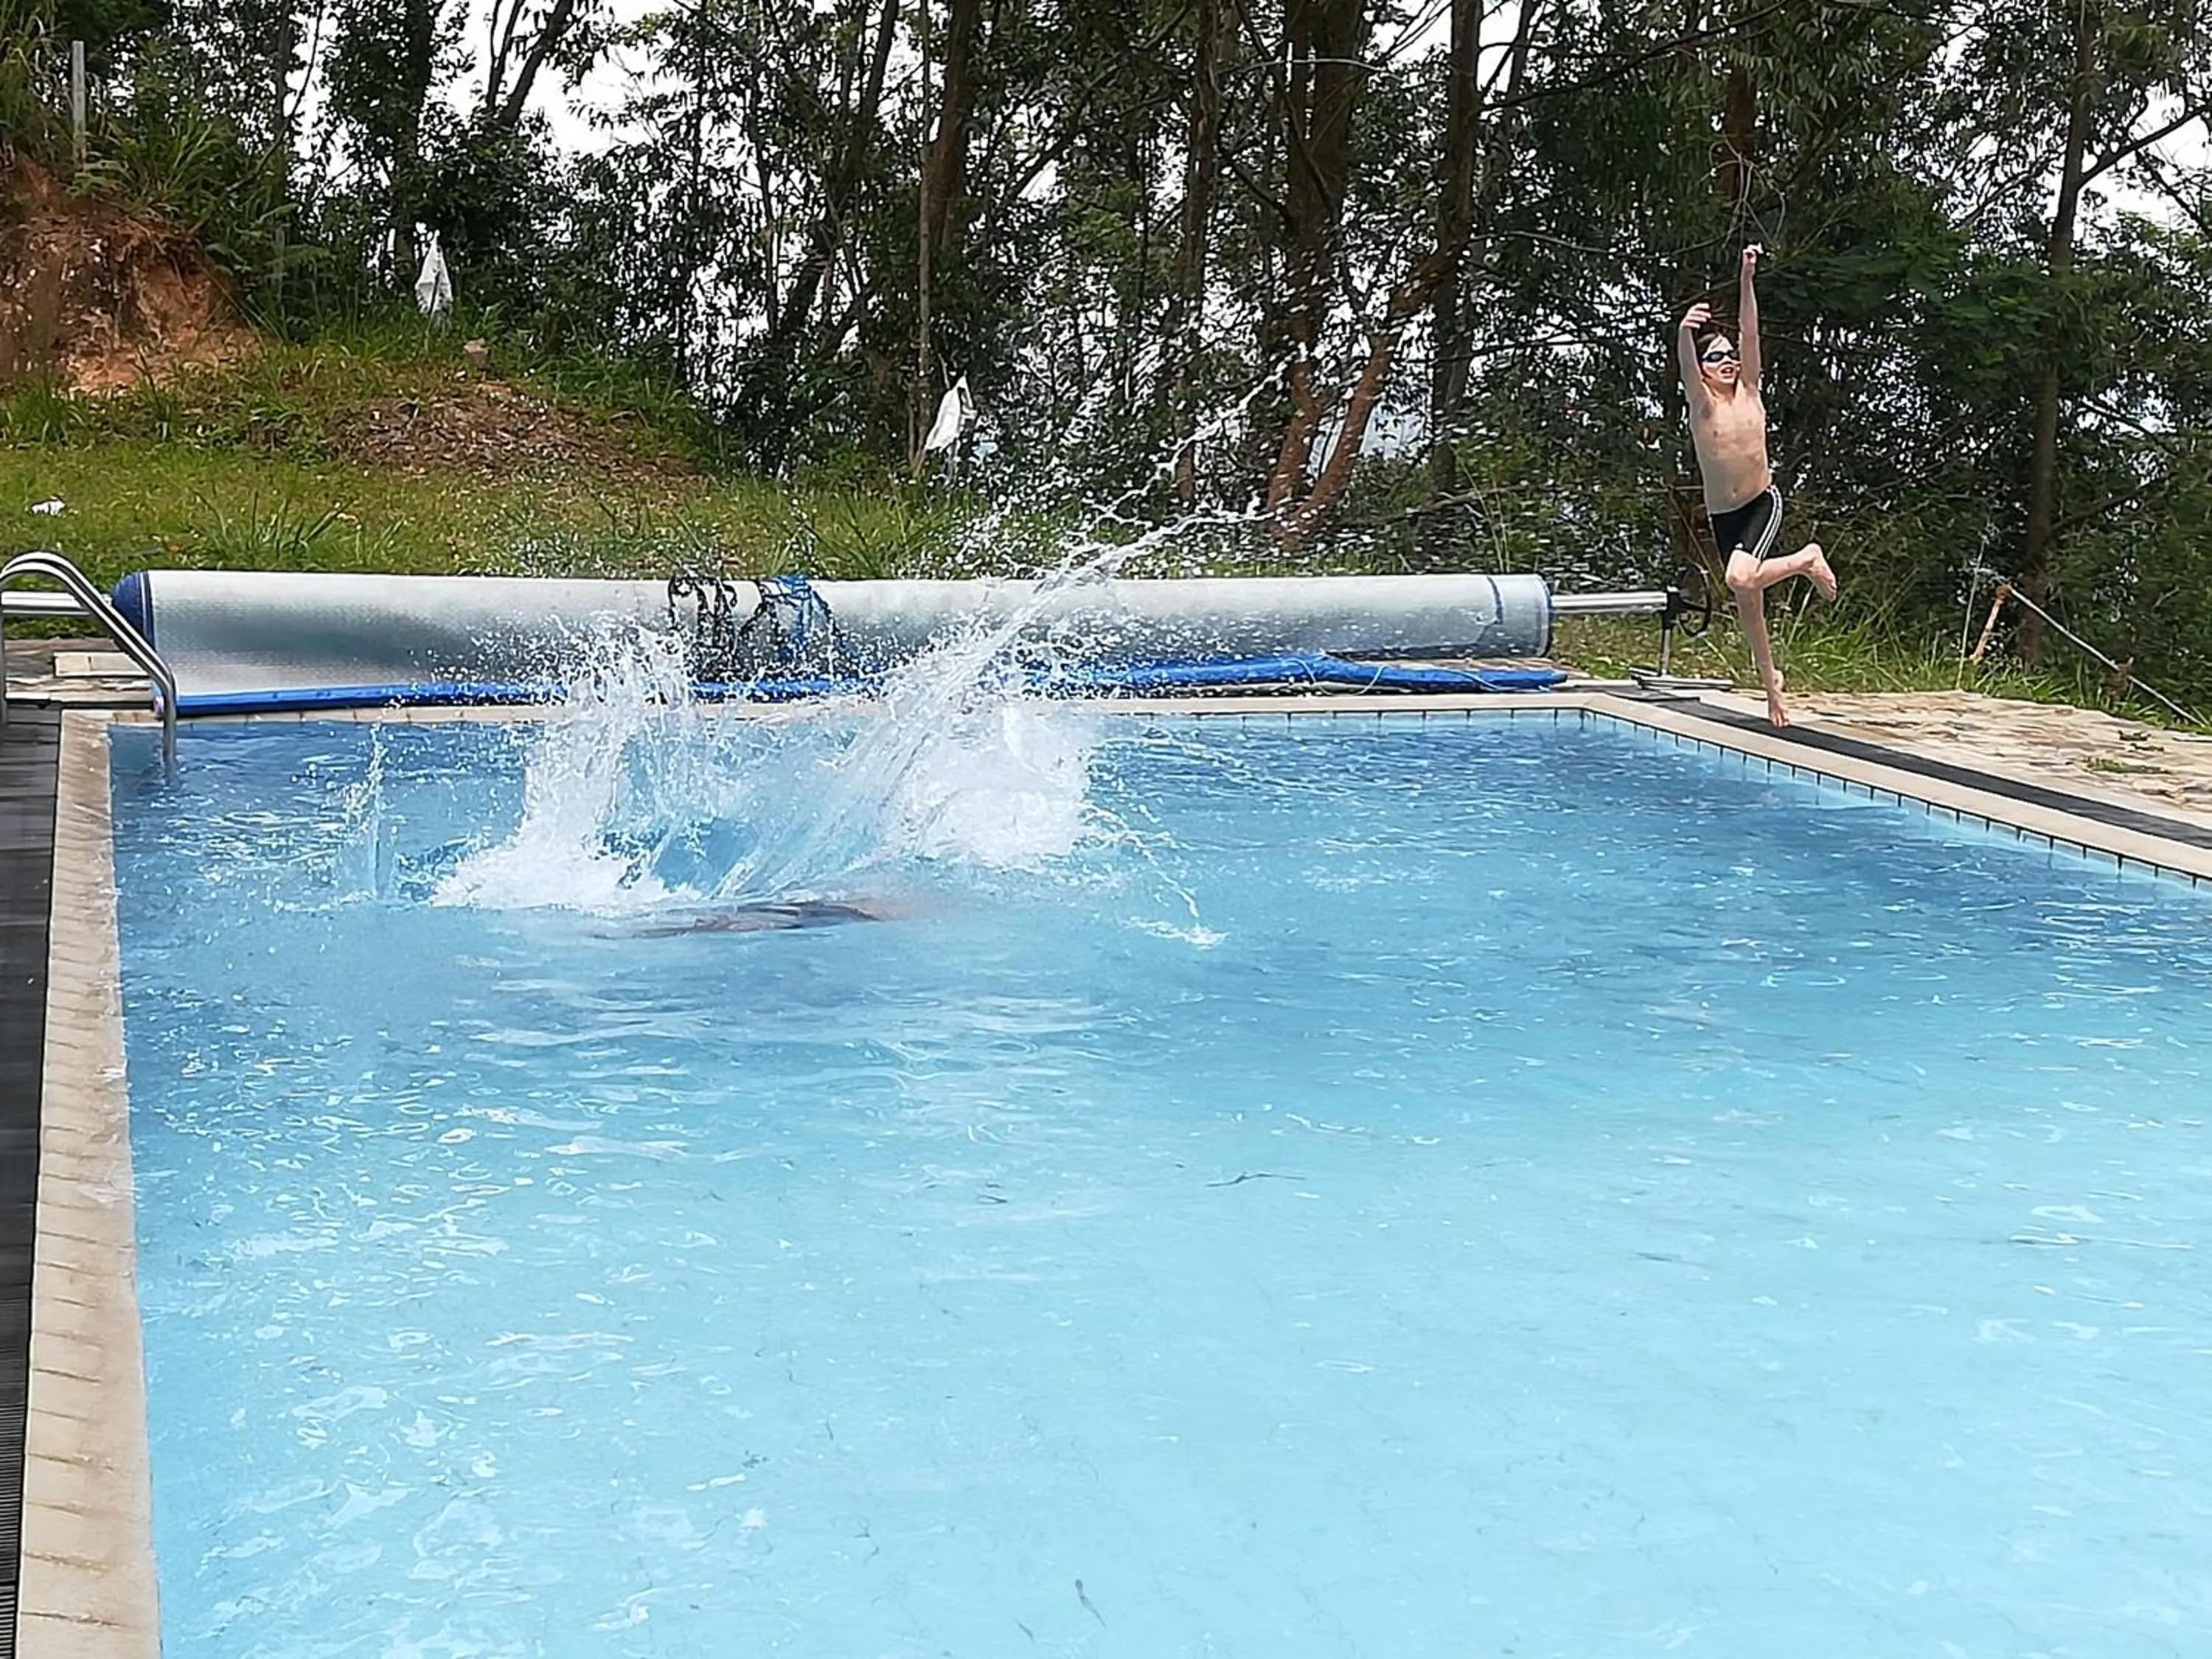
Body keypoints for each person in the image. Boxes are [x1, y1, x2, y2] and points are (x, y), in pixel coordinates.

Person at [1678, 244, 1837, 727]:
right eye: (1716, 356)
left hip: (1760, 503)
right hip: (1724, 517)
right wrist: (1684, 332)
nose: (1728, 360)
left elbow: (1749, 332)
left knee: (1739, 579)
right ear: (1703, 369)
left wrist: (1747, 278)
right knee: (1749, 607)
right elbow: (1685, 362)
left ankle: (1807, 558)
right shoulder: (1703, 407)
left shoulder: (1750, 392)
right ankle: (1772, 687)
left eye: (1731, 356)